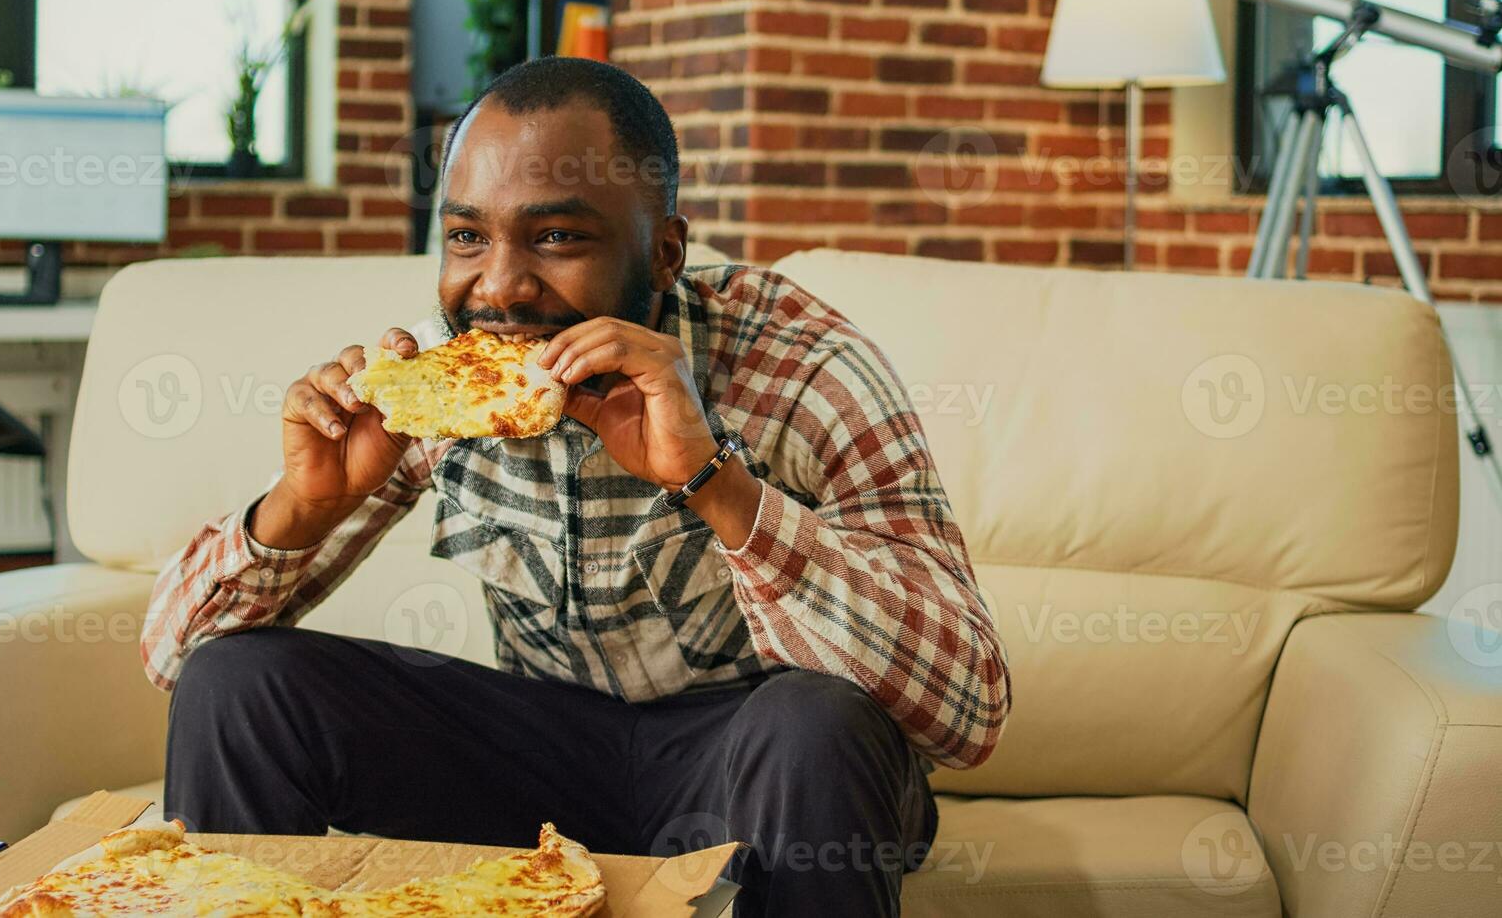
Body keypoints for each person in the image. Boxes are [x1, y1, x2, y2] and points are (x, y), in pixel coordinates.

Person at [141, 56, 1010, 918]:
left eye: (556, 238)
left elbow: (969, 711)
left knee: (813, 725)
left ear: (665, 252)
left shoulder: (803, 364)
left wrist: (716, 484)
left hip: (758, 766)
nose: (499, 288)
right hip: (541, 767)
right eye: (467, 236)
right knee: (238, 684)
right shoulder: (427, 381)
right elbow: (171, 658)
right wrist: (309, 507)